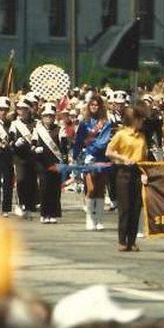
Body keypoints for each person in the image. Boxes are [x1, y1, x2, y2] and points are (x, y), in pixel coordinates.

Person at [106, 105, 149, 252]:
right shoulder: (121, 134)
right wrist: (122, 157)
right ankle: (122, 240)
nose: (142, 122)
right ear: (134, 119)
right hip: (123, 172)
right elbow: (109, 152)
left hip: (137, 172)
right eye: (140, 119)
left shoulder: (142, 136)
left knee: (136, 207)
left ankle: (132, 240)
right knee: (125, 207)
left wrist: (144, 173)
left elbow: (144, 157)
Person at [73, 95, 113, 231]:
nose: (94, 107)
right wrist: (76, 156)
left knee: (100, 189)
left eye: (96, 105)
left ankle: (100, 219)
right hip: (87, 159)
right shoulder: (84, 123)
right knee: (90, 188)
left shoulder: (106, 123)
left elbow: (103, 142)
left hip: (101, 158)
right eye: (92, 105)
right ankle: (90, 218)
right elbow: (78, 140)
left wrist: (89, 146)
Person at [33, 103, 67, 224]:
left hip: (55, 163)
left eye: (51, 116)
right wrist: (36, 149)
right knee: (44, 188)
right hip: (43, 163)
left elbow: (64, 148)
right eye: (46, 116)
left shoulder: (59, 129)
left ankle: (53, 213)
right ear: (42, 117)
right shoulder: (37, 130)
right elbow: (33, 145)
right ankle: (44, 213)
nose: (49, 118)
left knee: (55, 189)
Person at [9, 97, 39, 219]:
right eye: (20, 109)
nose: (22, 112)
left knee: (31, 180)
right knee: (21, 179)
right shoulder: (14, 124)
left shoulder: (36, 123)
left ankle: (30, 204)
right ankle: (21, 203)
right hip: (19, 156)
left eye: (25, 109)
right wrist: (15, 142)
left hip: (32, 156)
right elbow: (10, 141)